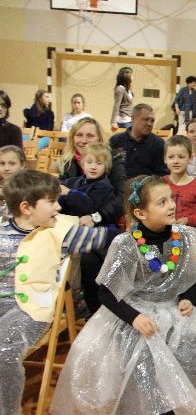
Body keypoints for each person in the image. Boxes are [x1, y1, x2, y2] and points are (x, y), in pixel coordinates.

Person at [50, 175, 196, 415]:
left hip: (172, 311)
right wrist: (134, 317)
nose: (171, 205)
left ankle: (174, 406)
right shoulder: (126, 244)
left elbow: (185, 281)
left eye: (170, 199)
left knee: (192, 347)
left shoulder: (184, 238)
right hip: (134, 316)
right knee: (143, 359)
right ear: (141, 213)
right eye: (161, 202)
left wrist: (186, 299)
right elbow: (105, 292)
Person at [0, 169, 118, 415]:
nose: (58, 206)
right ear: (26, 207)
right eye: (51, 201)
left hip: (29, 309)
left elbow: (106, 237)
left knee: (4, 351)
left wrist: (144, 234)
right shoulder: (2, 223)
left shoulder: (61, 229)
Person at [59, 117, 126, 315]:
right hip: (74, 227)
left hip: (104, 225)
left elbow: (118, 199)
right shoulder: (68, 164)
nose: (84, 139)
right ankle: (68, 304)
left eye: (90, 135)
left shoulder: (110, 164)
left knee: (89, 259)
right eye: (79, 135)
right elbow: (61, 198)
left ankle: (95, 309)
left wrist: (96, 216)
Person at [163, 135, 196, 230]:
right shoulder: (160, 184)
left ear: (190, 159)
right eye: (171, 157)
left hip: (188, 234)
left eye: (181, 157)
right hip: (163, 233)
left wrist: (188, 220)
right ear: (165, 159)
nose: (176, 161)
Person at [109, 103, 168, 178]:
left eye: (152, 121)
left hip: (147, 187)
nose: (150, 124)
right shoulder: (115, 141)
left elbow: (162, 174)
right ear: (133, 119)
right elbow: (109, 169)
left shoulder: (159, 144)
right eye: (146, 119)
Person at [59, 142, 116, 218]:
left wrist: (69, 193)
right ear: (83, 164)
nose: (93, 167)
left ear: (105, 166)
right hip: (71, 219)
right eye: (89, 162)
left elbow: (89, 207)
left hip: (92, 224)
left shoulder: (104, 186)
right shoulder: (75, 181)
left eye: (99, 163)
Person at [0, 145, 26, 219]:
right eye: (2, 163)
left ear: (22, 165)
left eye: (12, 164)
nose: (6, 168)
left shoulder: (27, 184)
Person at [110, 66, 134, 131]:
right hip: (124, 121)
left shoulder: (128, 88)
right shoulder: (120, 88)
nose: (133, 76)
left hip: (129, 120)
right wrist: (113, 121)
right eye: (131, 74)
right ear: (126, 76)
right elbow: (116, 105)